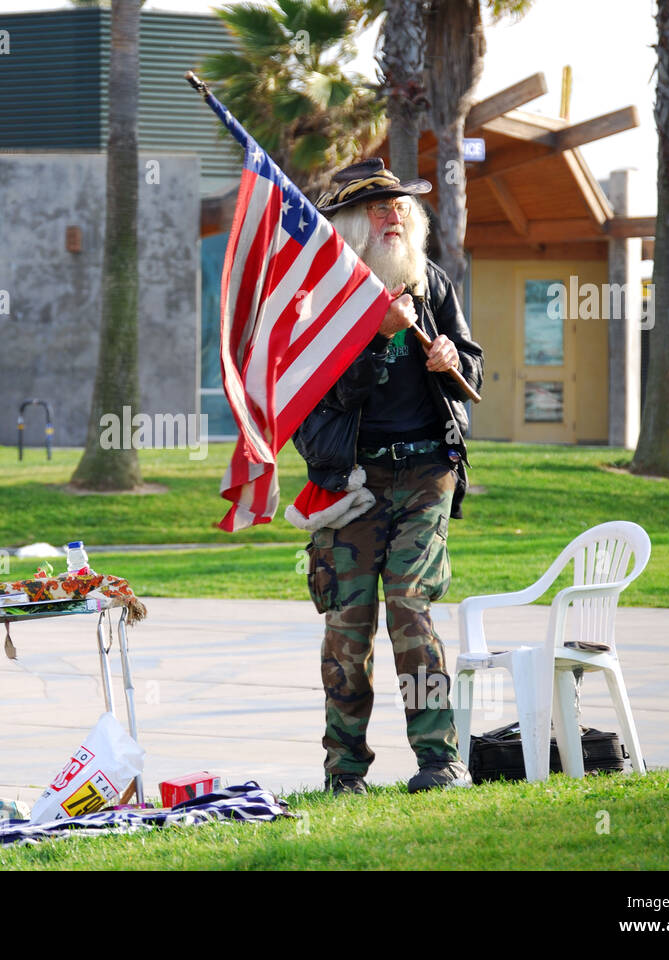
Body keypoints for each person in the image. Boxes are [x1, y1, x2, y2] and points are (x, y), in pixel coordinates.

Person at [295, 157, 484, 795]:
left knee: (410, 606)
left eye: (400, 204)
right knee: (347, 623)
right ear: (351, 225)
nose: (394, 214)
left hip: (428, 468)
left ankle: (440, 760)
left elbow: (474, 375)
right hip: (353, 484)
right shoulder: (321, 300)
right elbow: (316, 401)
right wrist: (377, 339)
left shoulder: (431, 283)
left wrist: (453, 357)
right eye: (379, 207)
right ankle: (343, 772)